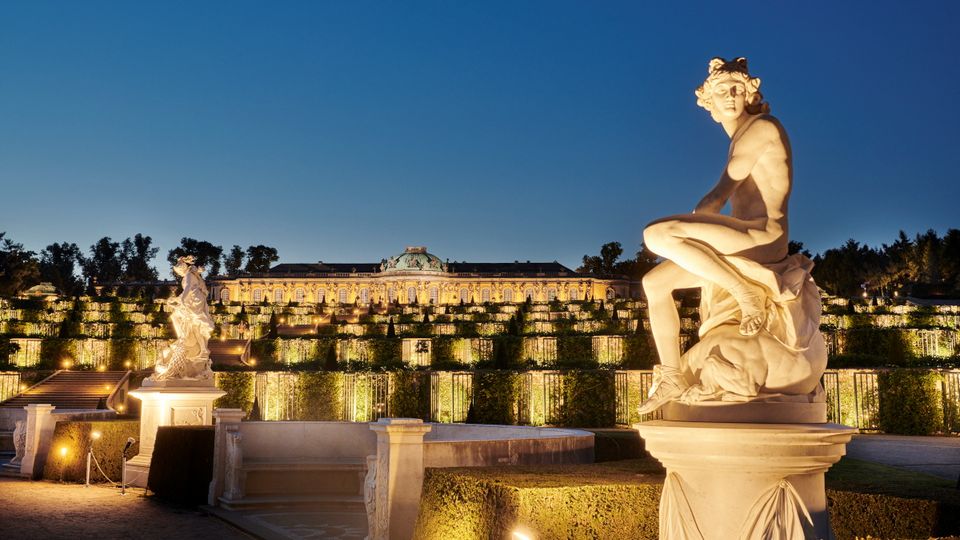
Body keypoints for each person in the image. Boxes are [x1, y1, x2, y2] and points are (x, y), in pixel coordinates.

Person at [639, 57, 802, 412]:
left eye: (737, 89)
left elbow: (718, 196)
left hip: (762, 237)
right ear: (708, 102)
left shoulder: (762, 128)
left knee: (657, 235)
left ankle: (745, 294)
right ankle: (671, 375)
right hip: (742, 241)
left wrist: (690, 235)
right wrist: (694, 243)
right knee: (654, 284)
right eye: (721, 91)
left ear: (749, 94)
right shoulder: (742, 135)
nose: (730, 96)